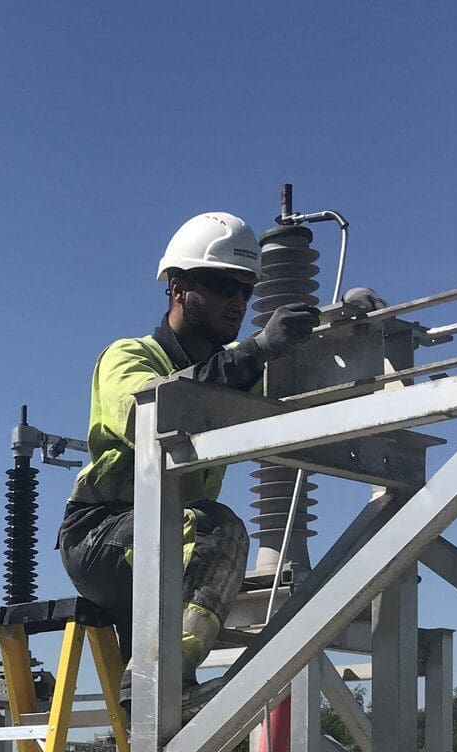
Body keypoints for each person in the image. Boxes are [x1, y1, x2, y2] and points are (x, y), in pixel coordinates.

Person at [60, 212, 320, 676]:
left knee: (210, 533)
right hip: (100, 537)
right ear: (179, 287)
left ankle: (163, 683)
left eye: (246, 289)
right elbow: (159, 412)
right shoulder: (128, 357)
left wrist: (342, 332)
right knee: (217, 532)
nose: (238, 302)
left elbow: (295, 395)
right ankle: (164, 675)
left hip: (173, 539)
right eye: (223, 286)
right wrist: (257, 351)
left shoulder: (237, 374)